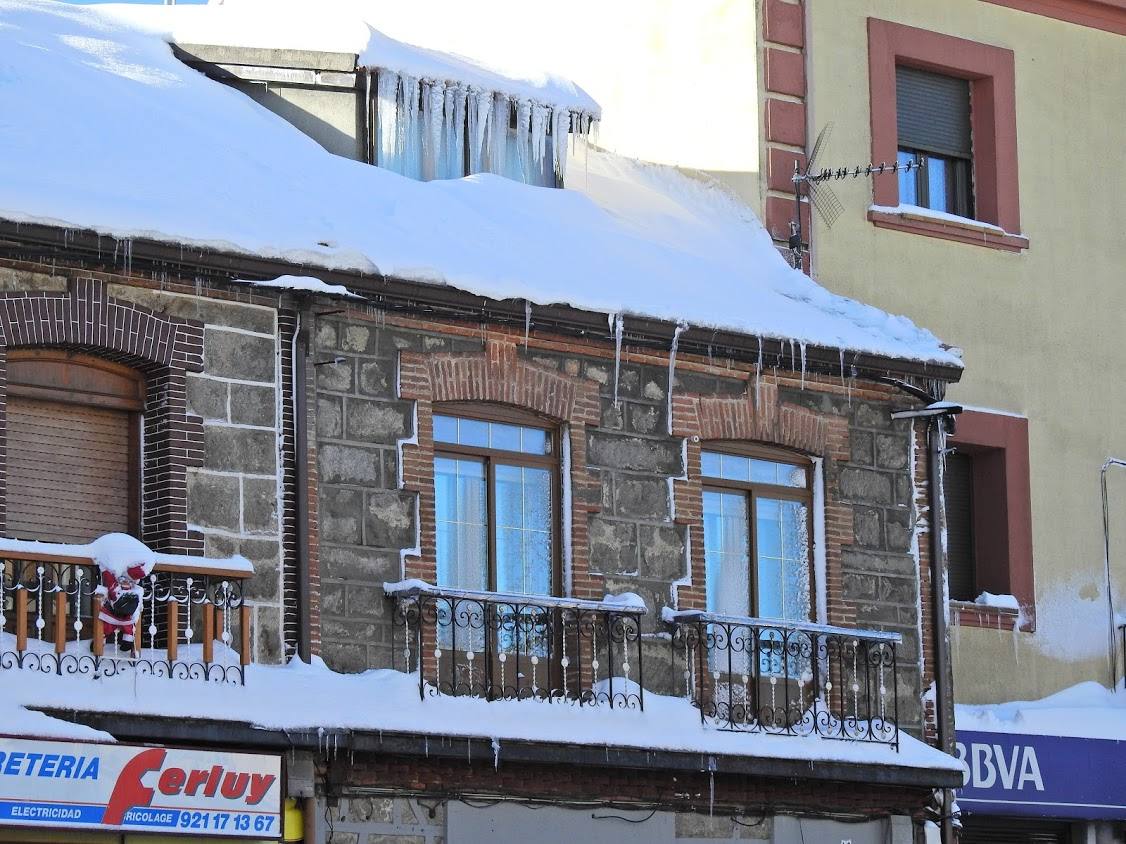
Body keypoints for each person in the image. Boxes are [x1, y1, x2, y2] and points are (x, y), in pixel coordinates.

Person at [94, 564, 146, 652]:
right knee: (107, 627)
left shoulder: (134, 589)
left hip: (126, 615)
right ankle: (100, 642)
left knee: (128, 627)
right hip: (113, 613)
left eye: (128, 580)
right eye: (123, 580)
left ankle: (127, 642)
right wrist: (105, 567)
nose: (126, 582)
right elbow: (108, 577)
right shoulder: (115, 585)